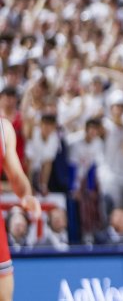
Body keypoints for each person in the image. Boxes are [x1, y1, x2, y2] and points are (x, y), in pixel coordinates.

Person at [0, 116, 42, 301]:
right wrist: (25, 194)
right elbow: (16, 178)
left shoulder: (4, 128)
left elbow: (16, 178)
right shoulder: (3, 128)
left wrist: (25, 194)